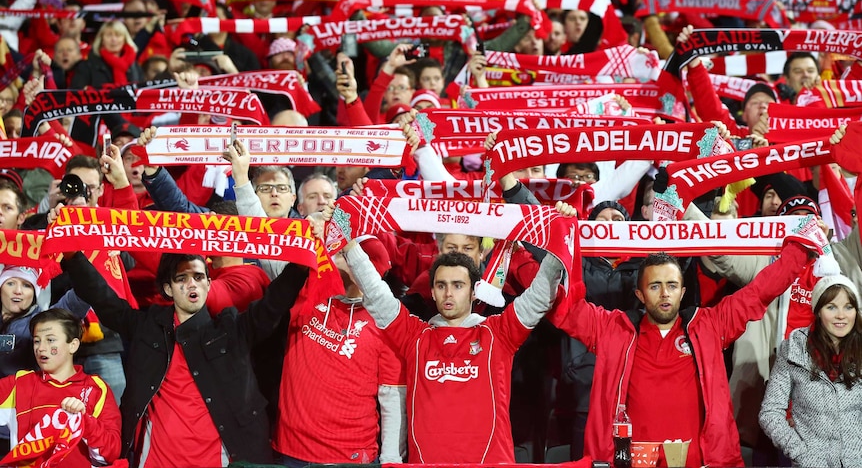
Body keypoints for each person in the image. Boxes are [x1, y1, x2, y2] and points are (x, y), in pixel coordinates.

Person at [313, 201, 572, 463]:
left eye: (458, 285)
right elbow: (375, 291)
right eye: (441, 285)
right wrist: (348, 245)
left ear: (474, 291)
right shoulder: (414, 336)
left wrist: (558, 240)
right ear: (432, 292)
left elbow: (540, 297)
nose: (449, 293)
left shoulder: (498, 334)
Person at [550, 240, 818, 467]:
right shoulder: (613, 330)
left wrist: (801, 247)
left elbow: (760, 292)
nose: (665, 293)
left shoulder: (710, 326)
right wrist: (536, 238)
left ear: (683, 292)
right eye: (655, 286)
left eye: (672, 285)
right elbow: (561, 305)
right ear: (640, 294)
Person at [59, 246, 310, 466]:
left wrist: (300, 262)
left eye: (199, 277)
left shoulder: (232, 329)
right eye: (182, 278)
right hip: (155, 460)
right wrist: (71, 254)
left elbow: (273, 304)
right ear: (168, 288)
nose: (192, 284)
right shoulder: (146, 327)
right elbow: (104, 300)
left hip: (222, 460)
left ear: (209, 285)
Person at [273, 236, 406, 466]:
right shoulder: (304, 289)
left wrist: (391, 460)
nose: (332, 259)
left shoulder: (388, 322)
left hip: (350, 457)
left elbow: (392, 397)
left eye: (342, 255)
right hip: (291, 451)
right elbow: (268, 248)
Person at [759, 275, 862, 468]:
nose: (841, 315)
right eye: (831, 307)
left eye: (848, 307)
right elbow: (770, 412)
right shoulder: (794, 349)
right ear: (817, 311)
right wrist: (802, 454)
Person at [0, 308, 121, 468]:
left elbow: (110, 454)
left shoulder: (96, 389)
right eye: (37, 340)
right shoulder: (19, 384)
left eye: (50, 340)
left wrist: (85, 422)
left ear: (73, 345)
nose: (41, 348)